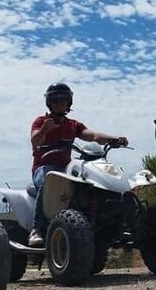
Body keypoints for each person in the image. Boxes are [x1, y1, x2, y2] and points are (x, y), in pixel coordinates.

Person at [28, 82, 128, 247]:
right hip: (43, 168)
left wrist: (113, 139)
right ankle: (36, 229)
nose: (60, 104)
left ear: (69, 103)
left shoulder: (73, 125)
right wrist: (44, 131)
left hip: (66, 169)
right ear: (50, 103)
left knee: (90, 182)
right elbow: (34, 141)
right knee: (49, 179)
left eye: (64, 100)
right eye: (56, 100)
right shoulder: (41, 122)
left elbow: (93, 135)